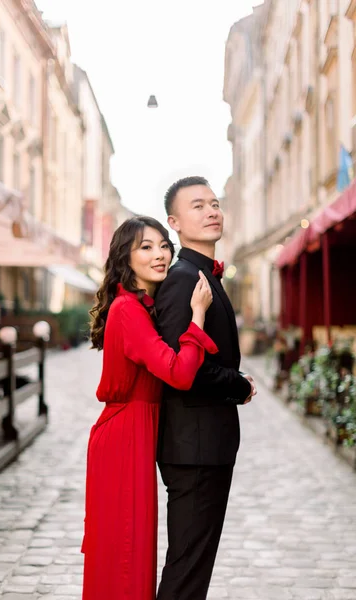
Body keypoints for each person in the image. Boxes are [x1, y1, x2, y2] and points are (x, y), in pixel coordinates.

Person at [81, 215, 218, 600]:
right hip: (124, 436)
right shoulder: (127, 310)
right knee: (125, 550)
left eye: (163, 245)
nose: (159, 254)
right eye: (146, 247)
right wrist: (198, 316)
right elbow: (178, 372)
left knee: (131, 547)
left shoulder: (141, 308)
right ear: (126, 257)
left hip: (135, 433)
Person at [155, 176, 257, 600]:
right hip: (193, 447)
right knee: (187, 569)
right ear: (174, 222)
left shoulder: (203, 274)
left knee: (193, 567)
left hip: (205, 445)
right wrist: (240, 384)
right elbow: (185, 369)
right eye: (197, 205)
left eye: (214, 203)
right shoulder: (183, 278)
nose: (212, 210)